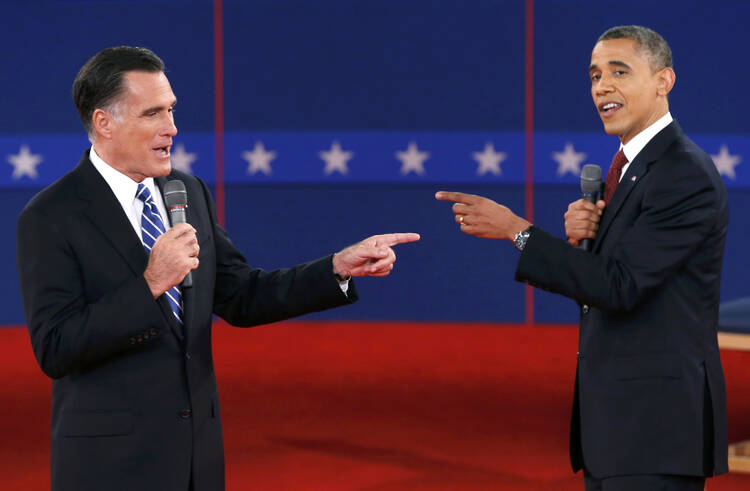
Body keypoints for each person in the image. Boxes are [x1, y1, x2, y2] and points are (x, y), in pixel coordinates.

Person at [16, 46, 419, 491]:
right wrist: (151, 283)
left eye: (171, 110)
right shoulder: (52, 216)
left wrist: (337, 268)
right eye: (153, 114)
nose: (172, 128)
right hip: (109, 464)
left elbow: (242, 296)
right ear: (104, 123)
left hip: (196, 459)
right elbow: (56, 348)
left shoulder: (186, 192)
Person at [436, 25, 728, 490]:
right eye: (594, 76)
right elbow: (610, 278)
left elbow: (620, 286)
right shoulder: (633, 170)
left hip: (654, 428)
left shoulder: (681, 173)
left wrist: (517, 231)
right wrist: (588, 241)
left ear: (663, 81)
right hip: (621, 426)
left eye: (619, 71)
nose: (602, 86)